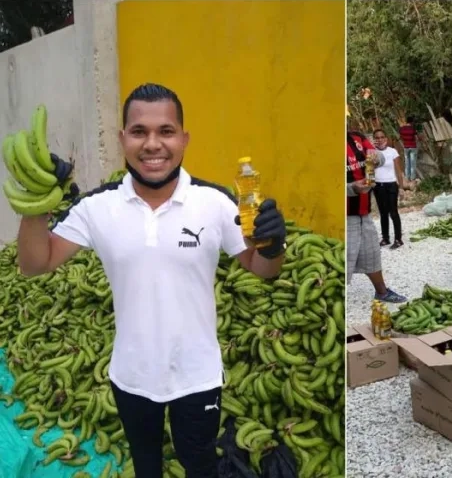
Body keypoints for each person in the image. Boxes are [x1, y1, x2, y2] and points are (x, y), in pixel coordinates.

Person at [15, 83, 286, 478]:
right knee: (146, 467)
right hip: (132, 375)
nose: (153, 144)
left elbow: (261, 269)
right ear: (123, 138)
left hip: (197, 375)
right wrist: (37, 200)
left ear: (184, 139)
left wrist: (273, 246)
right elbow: (36, 264)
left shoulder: (214, 202)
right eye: (139, 132)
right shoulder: (97, 206)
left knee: (200, 466)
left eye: (166, 131)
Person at [346, 130, 407, 303]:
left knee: (371, 252)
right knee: (344, 258)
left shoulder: (357, 137)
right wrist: (351, 188)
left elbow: (378, 158)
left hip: (363, 211)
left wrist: (376, 156)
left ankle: (381, 291)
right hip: (343, 214)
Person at [372, 128, 405, 249]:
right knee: (383, 213)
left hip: (391, 185)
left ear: (386, 139)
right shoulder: (371, 152)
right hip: (378, 186)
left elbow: (398, 170)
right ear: (374, 139)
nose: (380, 140)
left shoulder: (392, 152)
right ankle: (385, 238)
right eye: (377, 138)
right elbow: (369, 170)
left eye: (382, 137)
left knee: (393, 212)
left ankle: (398, 239)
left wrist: (401, 188)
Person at [399, 117, 419, 181]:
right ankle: (412, 178)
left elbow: (401, 137)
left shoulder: (401, 129)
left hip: (406, 147)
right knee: (413, 164)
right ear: (412, 122)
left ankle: (407, 178)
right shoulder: (413, 128)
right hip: (413, 147)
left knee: (407, 163)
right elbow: (416, 138)